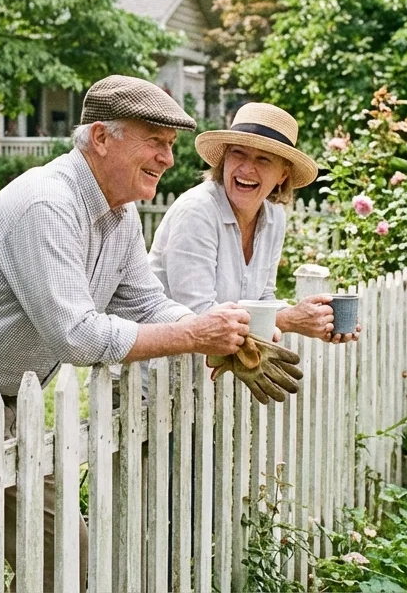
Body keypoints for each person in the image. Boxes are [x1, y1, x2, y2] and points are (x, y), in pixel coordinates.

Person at [0, 75, 301, 592]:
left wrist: (220, 335)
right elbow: (76, 337)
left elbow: (145, 303)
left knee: (68, 560)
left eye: (170, 145)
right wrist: (195, 335)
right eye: (155, 142)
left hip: (15, 399)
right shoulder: (48, 203)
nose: (168, 159)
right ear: (102, 138)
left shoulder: (119, 214)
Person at [149, 102, 359, 392]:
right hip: (156, 385)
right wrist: (289, 319)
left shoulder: (273, 217)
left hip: (209, 386)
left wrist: (320, 319)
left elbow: (263, 297)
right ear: (224, 158)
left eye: (264, 160)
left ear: (283, 175)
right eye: (239, 153)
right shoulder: (197, 211)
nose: (247, 169)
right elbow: (200, 318)